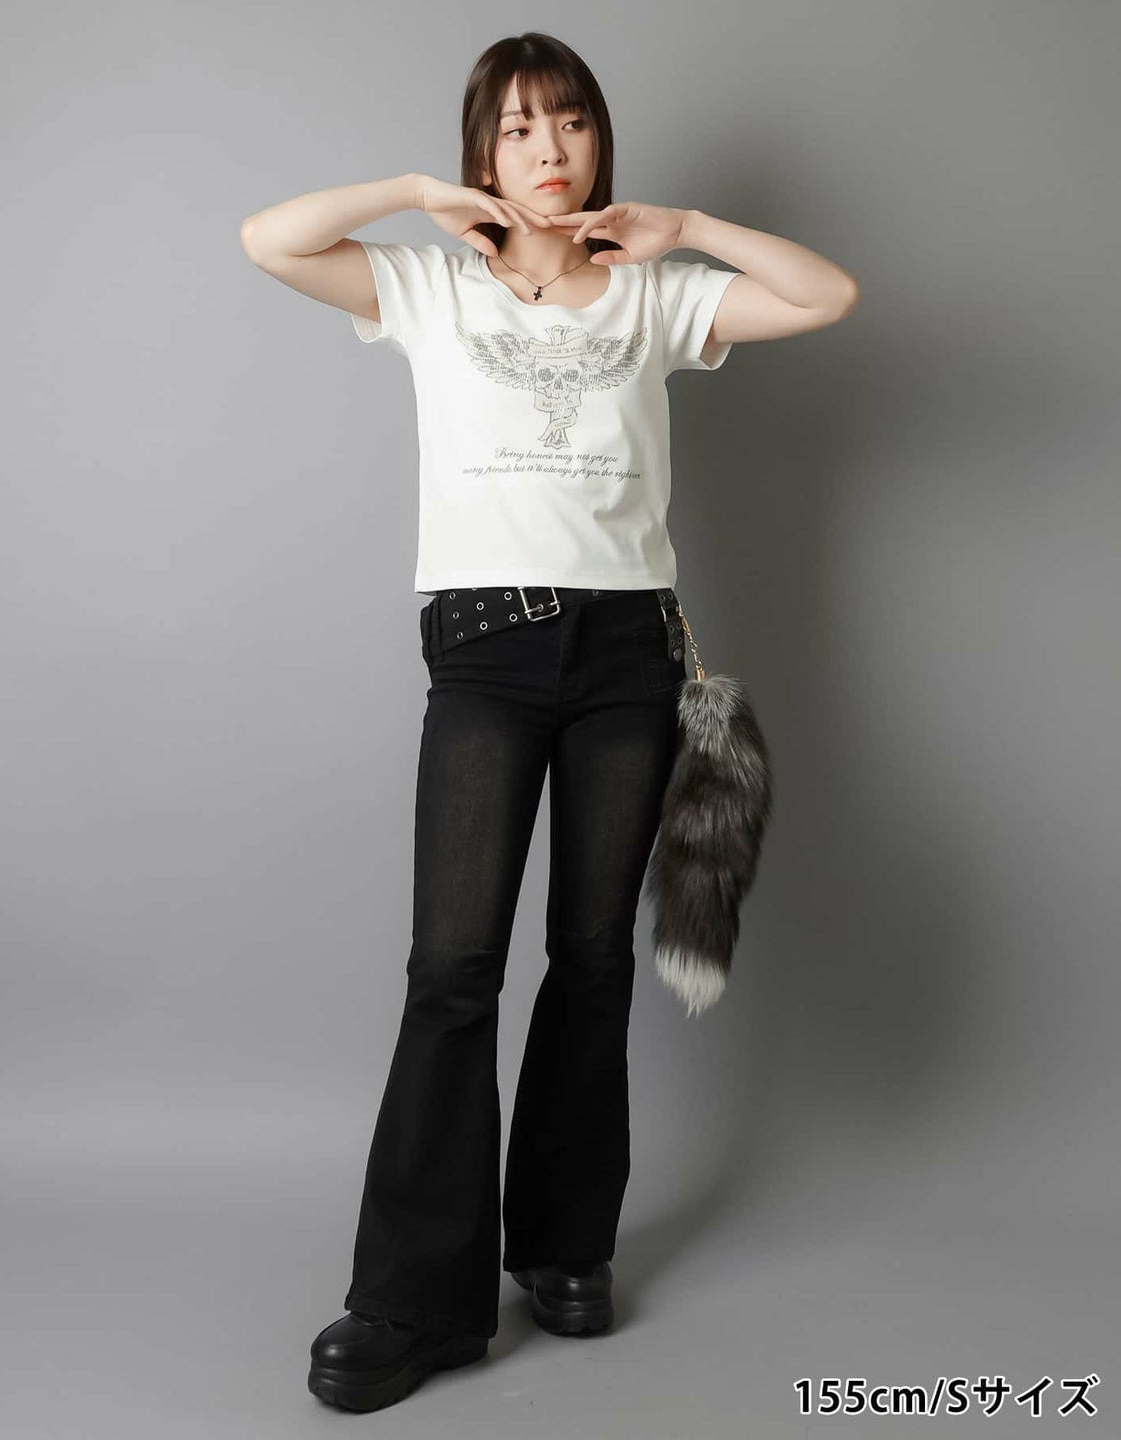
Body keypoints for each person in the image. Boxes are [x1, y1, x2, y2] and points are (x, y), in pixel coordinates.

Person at [240, 31, 858, 1414]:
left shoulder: (653, 293)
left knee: (590, 959)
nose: (548, 148)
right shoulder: (429, 287)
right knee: (453, 968)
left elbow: (826, 295)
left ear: (597, 141)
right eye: (517, 127)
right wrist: (416, 194)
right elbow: (268, 239)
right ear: (484, 152)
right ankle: (413, 1302)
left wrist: (685, 226)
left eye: (568, 121)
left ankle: (567, 1246)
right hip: (486, 653)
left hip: (628, 655)